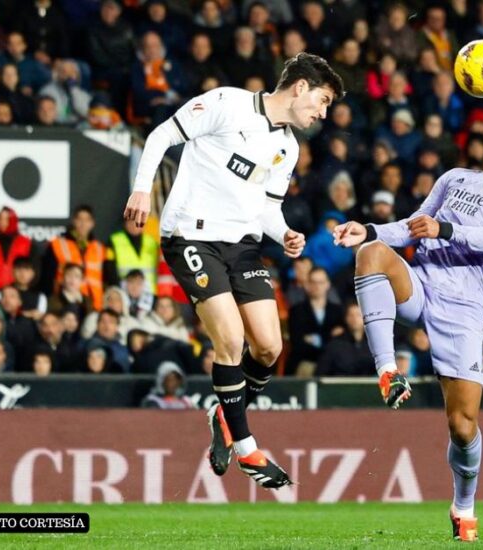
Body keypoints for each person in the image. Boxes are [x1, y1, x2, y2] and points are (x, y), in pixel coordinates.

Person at [331, 104, 483, 541]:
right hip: (423, 284)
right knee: (369, 254)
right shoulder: (454, 178)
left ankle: (463, 505)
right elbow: (415, 227)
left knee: (463, 424)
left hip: (465, 309)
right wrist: (370, 230)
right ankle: (388, 370)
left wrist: (445, 229)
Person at [124, 52, 343, 488]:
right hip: (190, 235)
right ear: (299, 87)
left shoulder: (288, 147)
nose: (322, 112)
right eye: (321, 101)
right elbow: (160, 135)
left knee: (267, 347)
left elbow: (268, 210)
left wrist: (284, 235)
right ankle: (247, 449)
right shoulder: (226, 103)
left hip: (241, 244)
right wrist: (142, 190)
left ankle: (222, 416)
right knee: (231, 340)